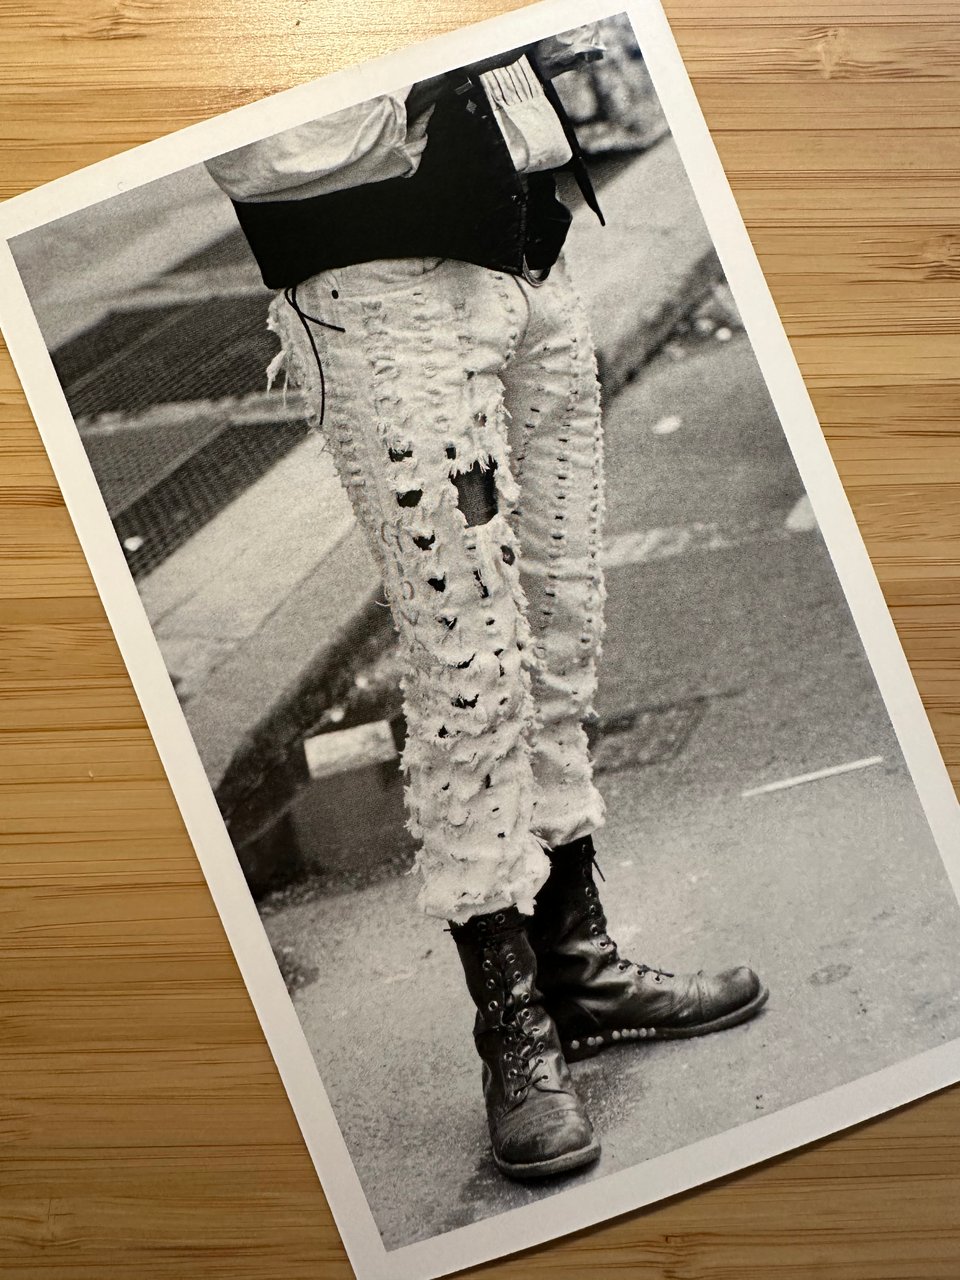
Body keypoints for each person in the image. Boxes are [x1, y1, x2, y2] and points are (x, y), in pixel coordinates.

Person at [206, 26, 768, 1182]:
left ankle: (581, 963)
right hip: (372, 280)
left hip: (523, 251)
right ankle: (512, 1022)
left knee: (561, 623)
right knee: (467, 650)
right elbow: (258, 138)